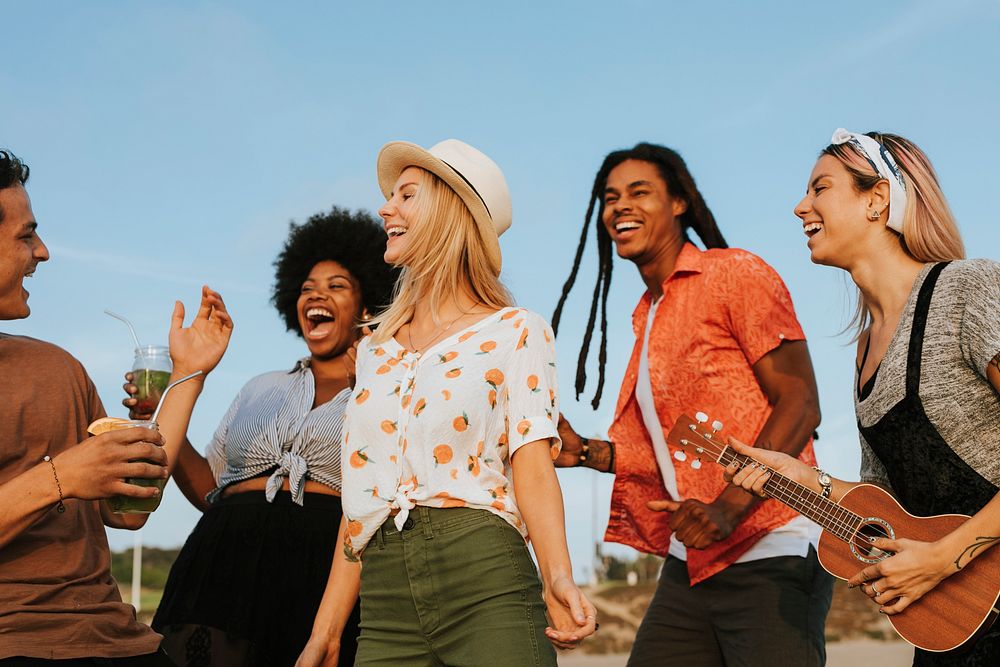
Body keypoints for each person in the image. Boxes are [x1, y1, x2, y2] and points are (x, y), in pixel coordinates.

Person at [302, 139, 597, 667]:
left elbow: (532, 465)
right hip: (385, 599)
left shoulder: (516, 331)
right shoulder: (373, 351)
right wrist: (326, 632)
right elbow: (359, 502)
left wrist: (557, 577)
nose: (385, 208)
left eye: (406, 195)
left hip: (485, 576)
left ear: (448, 212)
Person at [552, 143, 833, 666]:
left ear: (679, 202)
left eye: (640, 192)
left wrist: (728, 508)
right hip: (692, 562)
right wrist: (587, 451)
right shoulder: (646, 313)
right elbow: (667, 452)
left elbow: (800, 402)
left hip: (772, 545)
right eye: (610, 198)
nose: (620, 207)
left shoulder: (734, 273)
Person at [727, 128, 1000, 665]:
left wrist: (944, 558)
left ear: (876, 200)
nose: (799, 205)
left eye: (820, 187)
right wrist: (804, 479)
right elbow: (887, 505)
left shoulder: (970, 289)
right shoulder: (864, 352)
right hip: (957, 626)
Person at [123, 209, 398, 666]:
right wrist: (162, 413)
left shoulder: (386, 388)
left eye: (336, 286)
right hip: (222, 560)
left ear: (366, 306)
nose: (317, 295)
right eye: (308, 288)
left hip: (323, 567)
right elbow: (209, 486)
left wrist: (373, 372)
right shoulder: (259, 386)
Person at [0, 149, 173, 664]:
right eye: (26, 235)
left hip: (122, 644)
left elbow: (129, 513)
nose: (44, 251)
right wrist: (61, 477)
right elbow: (69, 478)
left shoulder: (60, 367)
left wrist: (188, 377)